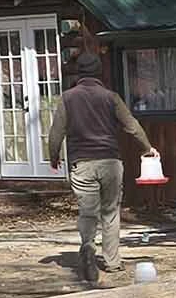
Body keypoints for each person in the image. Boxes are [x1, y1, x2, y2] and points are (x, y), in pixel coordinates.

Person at [48, 51, 158, 280]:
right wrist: (147, 148)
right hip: (110, 162)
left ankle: (88, 248)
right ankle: (112, 262)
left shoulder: (68, 98)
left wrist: (54, 156)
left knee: (88, 213)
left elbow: (56, 131)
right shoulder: (111, 97)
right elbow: (132, 126)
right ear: (99, 73)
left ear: (79, 73)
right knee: (110, 212)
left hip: (82, 163)